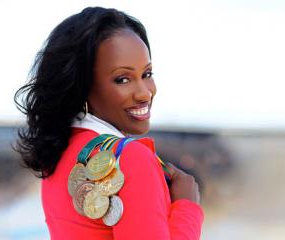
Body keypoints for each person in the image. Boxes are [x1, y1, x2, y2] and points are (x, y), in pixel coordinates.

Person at [14, 7, 203, 239]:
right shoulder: (131, 159)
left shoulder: (56, 153)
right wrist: (187, 206)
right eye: (122, 79)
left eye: (147, 74)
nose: (144, 93)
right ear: (82, 85)